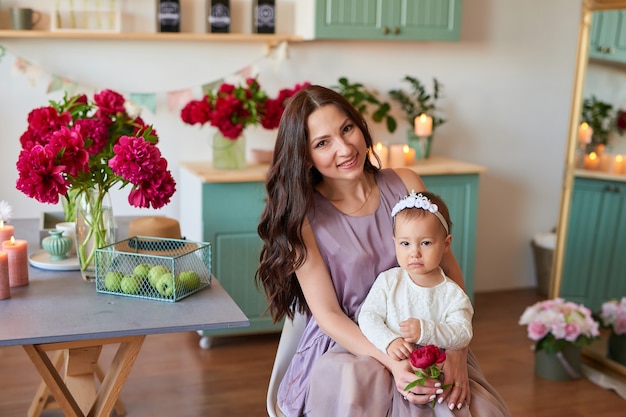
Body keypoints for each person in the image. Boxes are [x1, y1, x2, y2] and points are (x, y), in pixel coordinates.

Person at [256, 84, 511, 417]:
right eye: (323, 143)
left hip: (426, 334)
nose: (345, 148)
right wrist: (391, 361)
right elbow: (329, 315)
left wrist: (457, 350)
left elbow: (448, 277)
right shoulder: (303, 218)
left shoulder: (406, 185)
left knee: (472, 409)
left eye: (347, 129)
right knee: (357, 384)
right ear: (305, 155)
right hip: (350, 344)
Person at [358, 191, 474, 401]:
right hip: (386, 365)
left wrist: (426, 331)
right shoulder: (388, 281)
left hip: (435, 372)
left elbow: (463, 333)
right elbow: (368, 316)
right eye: (405, 244)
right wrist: (389, 341)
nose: (415, 253)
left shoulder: (452, 294)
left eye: (426, 243)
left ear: (446, 244)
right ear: (395, 242)